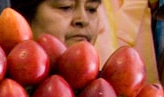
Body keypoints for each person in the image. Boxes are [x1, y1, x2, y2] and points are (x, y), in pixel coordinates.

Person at [12, 0, 159, 82]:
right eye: (66, 7)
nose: (82, 20)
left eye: (92, 9)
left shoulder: (113, 94)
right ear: (24, 17)